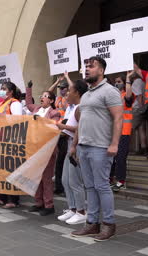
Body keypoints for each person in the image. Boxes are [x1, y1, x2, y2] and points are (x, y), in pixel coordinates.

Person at [70, 56, 123, 241]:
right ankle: (92, 223)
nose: (87, 69)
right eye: (85, 66)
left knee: (101, 186)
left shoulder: (110, 91)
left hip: (101, 147)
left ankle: (109, 224)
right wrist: (75, 145)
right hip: (84, 147)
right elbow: (81, 121)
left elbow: (118, 118)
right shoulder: (86, 95)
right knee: (90, 187)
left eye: (91, 66)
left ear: (101, 70)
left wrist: (115, 144)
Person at [57, 73, 88, 225]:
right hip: (70, 144)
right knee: (65, 179)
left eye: (69, 91)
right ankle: (73, 208)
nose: (66, 93)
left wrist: (63, 127)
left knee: (75, 181)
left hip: (76, 147)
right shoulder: (74, 107)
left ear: (77, 93)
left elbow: (81, 128)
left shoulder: (80, 108)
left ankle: (81, 211)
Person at [25, 82, 61, 216]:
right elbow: (28, 104)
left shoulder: (54, 113)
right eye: (42, 96)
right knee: (36, 177)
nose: (42, 97)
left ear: (51, 100)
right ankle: (38, 202)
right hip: (35, 149)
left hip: (48, 149)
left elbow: (54, 127)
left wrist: (40, 121)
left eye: (45, 96)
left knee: (46, 178)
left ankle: (49, 205)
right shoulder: (37, 109)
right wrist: (29, 89)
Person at [0, 83, 23, 208]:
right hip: (0, 140)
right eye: (1, 89)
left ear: (11, 92)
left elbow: (18, 120)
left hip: (11, 141)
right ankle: (1, 197)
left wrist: (1, 116)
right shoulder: (1, 104)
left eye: (4, 89)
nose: (1, 91)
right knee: (1, 171)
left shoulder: (15, 104)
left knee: (11, 170)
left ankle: (13, 200)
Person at [111, 72, 135, 192]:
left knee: (120, 157)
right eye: (116, 82)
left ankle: (120, 181)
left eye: (119, 82)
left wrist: (128, 80)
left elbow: (129, 96)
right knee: (111, 157)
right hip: (113, 131)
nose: (116, 84)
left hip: (124, 131)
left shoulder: (127, 95)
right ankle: (111, 179)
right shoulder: (113, 97)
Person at [48, 77, 70, 195]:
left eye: (63, 88)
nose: (61, 90)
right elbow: (49, 93)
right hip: (57, 130)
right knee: (58, 161)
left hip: (65, 132)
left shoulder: (68, 99)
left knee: (62, 160)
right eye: (60, 88)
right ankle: (58, 186)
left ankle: (61, 186)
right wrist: (56, 82)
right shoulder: (58, 99)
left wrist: (67, 78)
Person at [129, 72, 147, 155]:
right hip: (142, 107)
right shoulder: (143, 82)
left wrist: (140, 108)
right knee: (141, 128)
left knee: (131, 128)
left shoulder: (136, 82)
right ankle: (143, 147)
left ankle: (132, 148)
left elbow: (139, 96)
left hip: (137, 108)